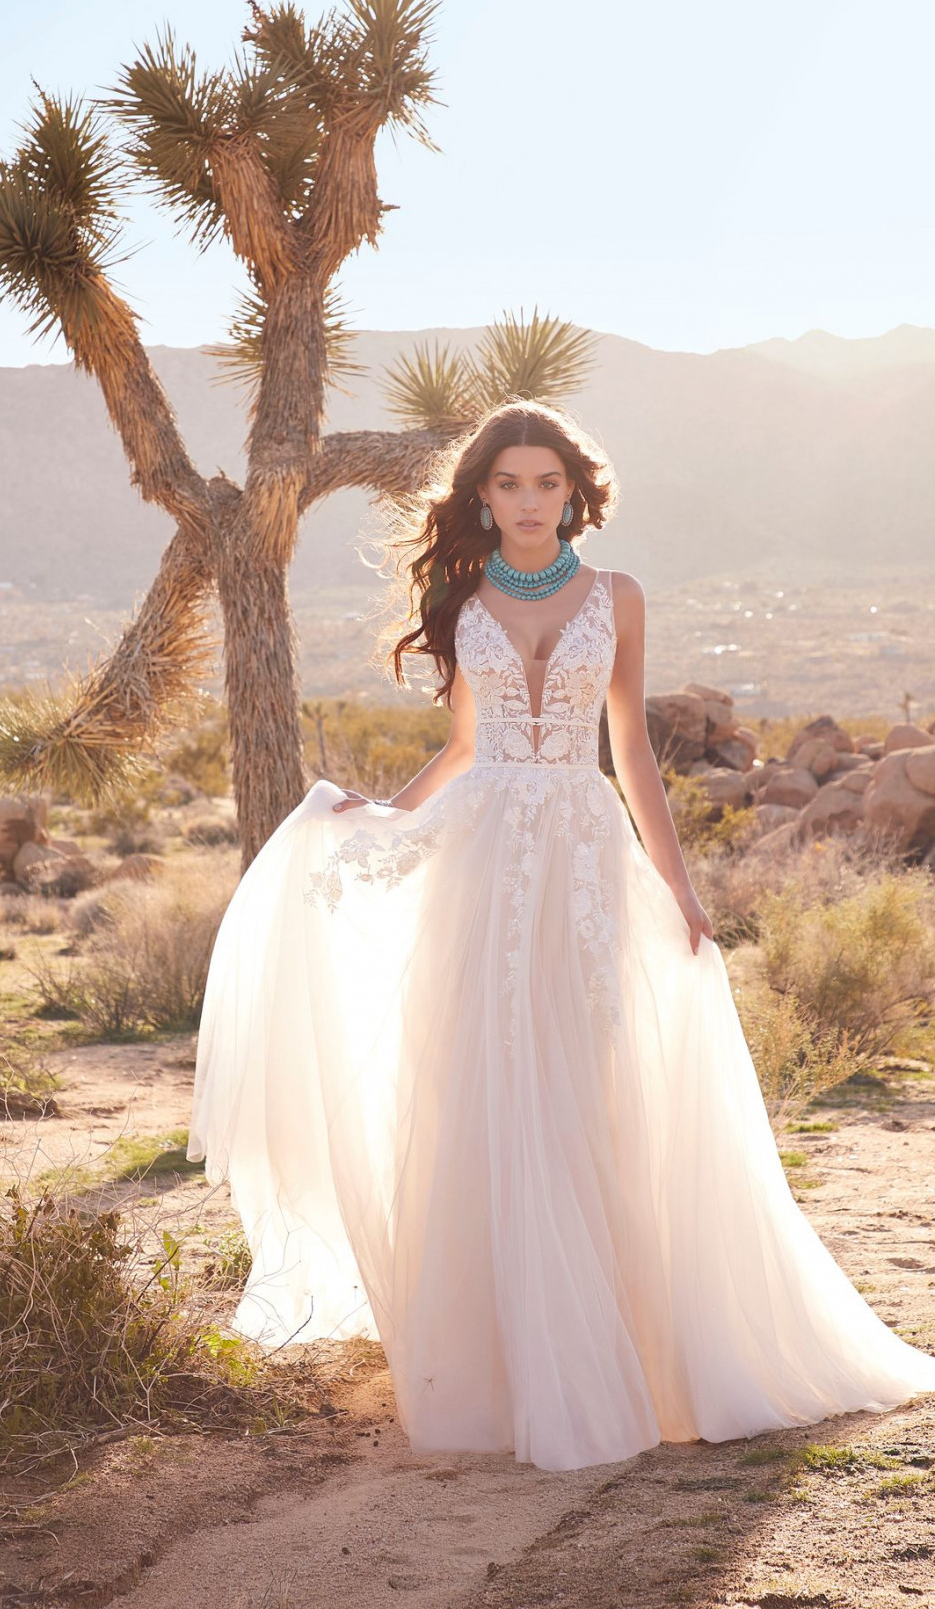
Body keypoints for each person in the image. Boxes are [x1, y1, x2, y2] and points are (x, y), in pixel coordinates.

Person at [186, 398, 935, 1471]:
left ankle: (620, 1345)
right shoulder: (463, 592)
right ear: (482, 497)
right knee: (483, 1083)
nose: (530, 502)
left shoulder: (618, 597)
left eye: (547, 483)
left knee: (588, 1085)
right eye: (509, 484)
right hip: (482, 857)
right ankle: (503, 1362)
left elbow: (628, 748)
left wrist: (678, 888)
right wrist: (386, 816)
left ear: (575, 491)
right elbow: (463, 742)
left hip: (585, 858)